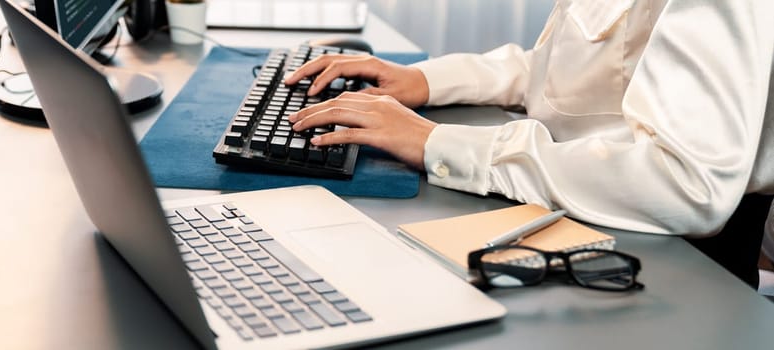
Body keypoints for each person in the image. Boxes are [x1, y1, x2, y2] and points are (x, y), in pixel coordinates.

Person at [284, 0, 774, 287]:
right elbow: (563, 75)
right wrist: (424, 80)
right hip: (570, 201)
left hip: (672, 263)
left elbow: (686, 182)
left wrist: (440, 142)